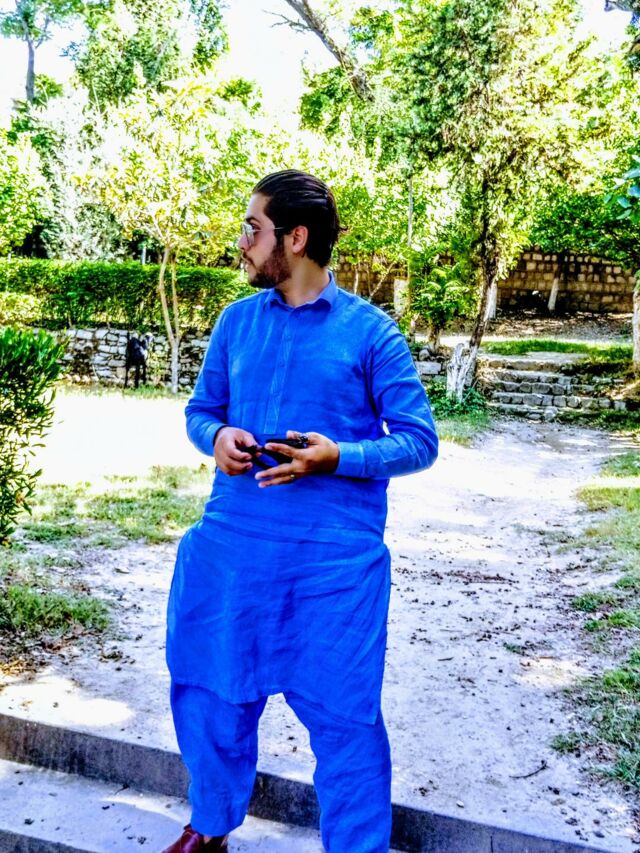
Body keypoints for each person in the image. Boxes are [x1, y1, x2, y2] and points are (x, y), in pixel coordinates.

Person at [162, 170, 438, 853]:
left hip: (331, 566)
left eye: (253, 229)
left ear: (296, 237)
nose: (242, 243)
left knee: (345, 718)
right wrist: (216, 437)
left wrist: (339, 455)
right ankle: (210, 824)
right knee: (210, 692)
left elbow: (418, 440)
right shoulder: (237, 323)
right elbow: (201, 411)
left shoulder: (371, 334)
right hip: (234, 549)